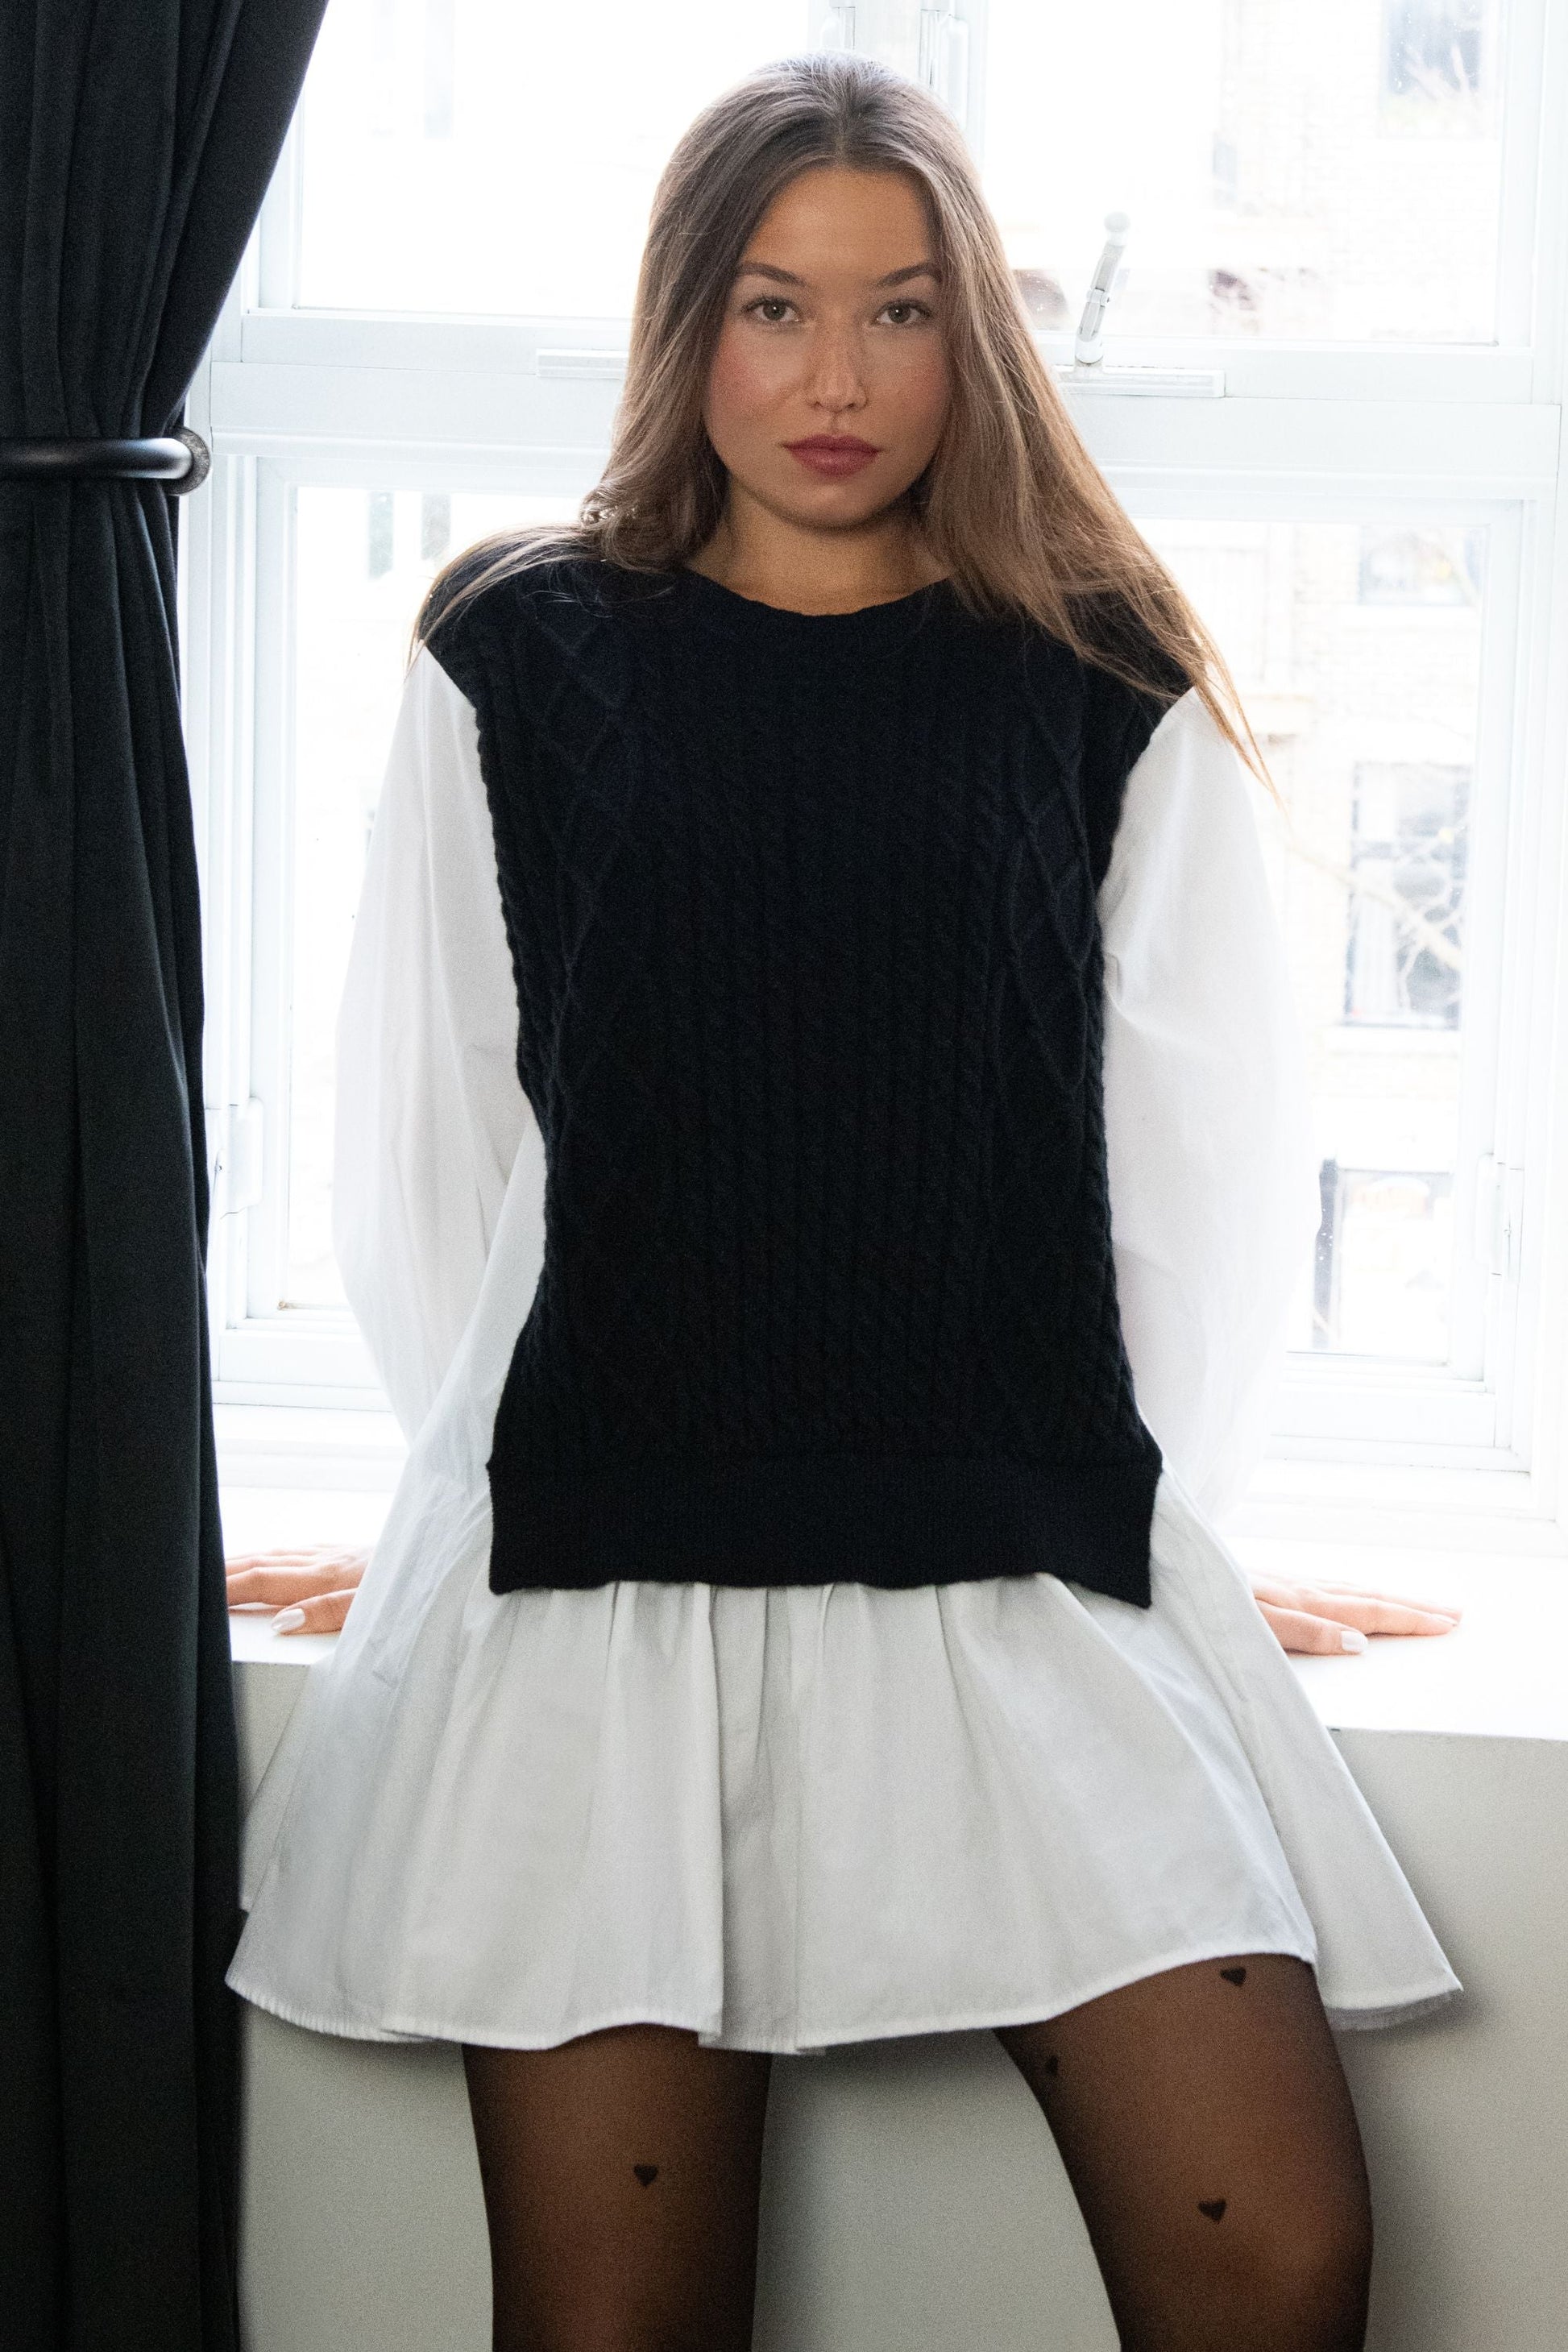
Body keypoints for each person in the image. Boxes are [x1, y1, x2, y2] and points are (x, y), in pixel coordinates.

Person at [226, 54, 1466, 2352]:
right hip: (601, 1574)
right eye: (775, 307)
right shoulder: (514, 650)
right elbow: (445, 1133)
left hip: (1008, 1549)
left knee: (1273, 2254)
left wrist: (1175, 1528)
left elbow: (1183, 1159)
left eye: (900, 311)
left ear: (969, 337)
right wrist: (449, 1491)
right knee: (612, 2326)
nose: (835, 379)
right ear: (684, 321)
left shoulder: (1097, 667)